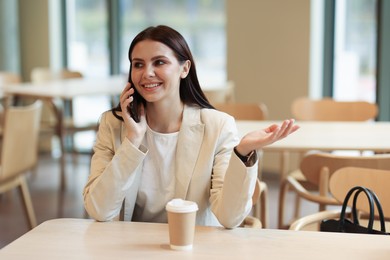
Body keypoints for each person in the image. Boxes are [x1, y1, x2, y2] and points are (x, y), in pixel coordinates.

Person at [83, 25, 299, 228]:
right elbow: (99, 210)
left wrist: (243, 153)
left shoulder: (218, 126)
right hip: (130, 250)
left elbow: (230, 217)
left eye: (159, 62)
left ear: (184, 68)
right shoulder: (112, 125)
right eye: (138, 64)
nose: (147, 73)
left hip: (194, 248)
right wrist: (132, 140)